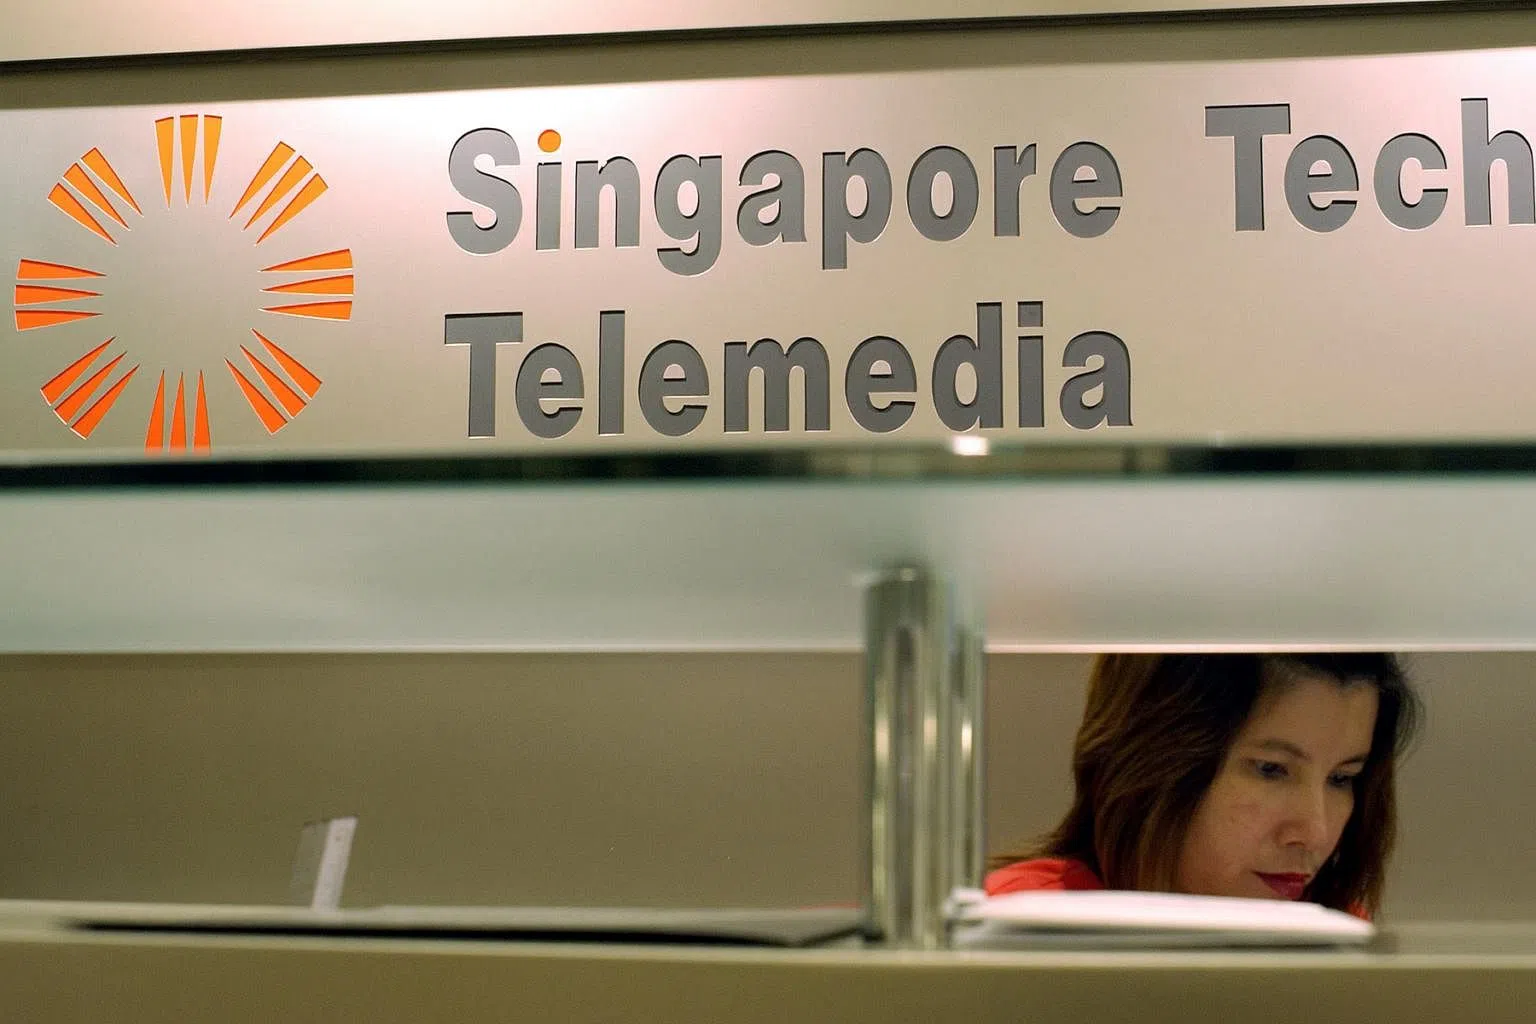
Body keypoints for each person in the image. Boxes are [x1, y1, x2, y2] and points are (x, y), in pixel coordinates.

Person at [985, 654, 1420, 919]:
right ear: (1159, 763)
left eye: (1341, 779)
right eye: (1271, 770)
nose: (1315, 833)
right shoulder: (1032, 925)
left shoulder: (1336, 930)